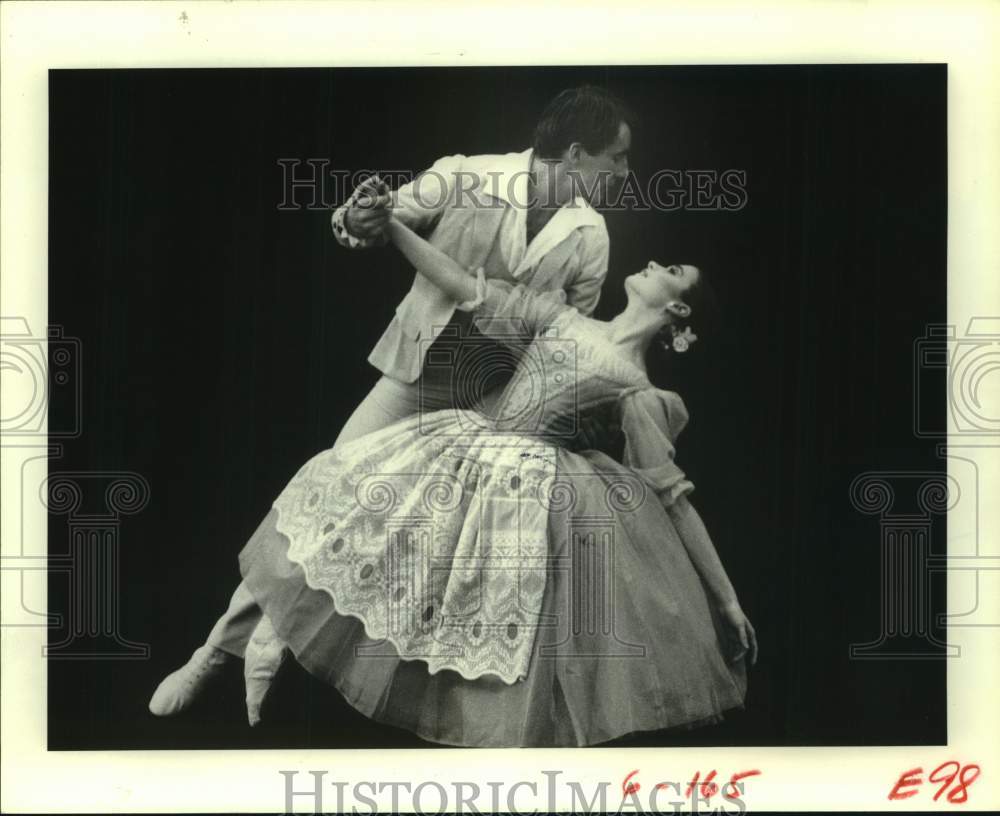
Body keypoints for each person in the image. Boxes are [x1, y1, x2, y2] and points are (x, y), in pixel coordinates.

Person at [156, 210, 757, 746]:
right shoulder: (566, 319)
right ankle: (216, 653)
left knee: (438, 599)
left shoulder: (641, 391)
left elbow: (672, 500)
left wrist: (726, 602)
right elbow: (462, 285)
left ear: (677, 309)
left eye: (671, 269)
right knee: (342, 518)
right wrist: (392, 225)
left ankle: (274, 652)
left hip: (520, 496)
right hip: (458, 444)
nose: (654, 263)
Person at [149, 85, 636, 719]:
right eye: (616, 159)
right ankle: (218, 651)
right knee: (321, 500)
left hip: (493, 407)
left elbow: (569, 333)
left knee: (417, 540)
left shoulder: (590, 234)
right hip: (416, 375)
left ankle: (301, 655)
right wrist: (361, 216)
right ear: (575, 153)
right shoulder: (465, 177)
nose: (625, 173)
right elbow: (375, 221)